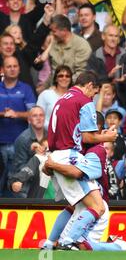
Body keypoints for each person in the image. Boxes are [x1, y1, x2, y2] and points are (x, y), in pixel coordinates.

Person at [47, 71, 117, 248]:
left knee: (76, 206)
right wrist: (109, 138)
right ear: (89, 85)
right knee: (98, 206)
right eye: (94, 92)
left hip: (56, 153)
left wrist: (51, 163)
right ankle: (69, 242)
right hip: (68, 155)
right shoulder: (83, 101)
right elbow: (87, 137)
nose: (93, 97)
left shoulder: (62, 98)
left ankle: (49, 243)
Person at [0, 55, 36, 195]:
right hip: (0, 142)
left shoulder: (26, 89)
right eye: (9, 66)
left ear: (19, 69)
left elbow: (33, 113)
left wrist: (17, 114)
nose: (12, 69)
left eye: (15, 66)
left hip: (19, 143)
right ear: (3, 69)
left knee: (16, 180)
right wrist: (3, 114)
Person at [87, 24, 126, 109]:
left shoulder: (125, 55)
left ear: (119, 39)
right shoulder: (95, 56)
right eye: (110, 35)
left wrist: (123, 81)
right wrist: (108, 76)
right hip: (99, 100)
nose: (113, 39)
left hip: (121, 100)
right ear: (103, 36)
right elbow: (91, 80)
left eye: (116, 36)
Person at [49, 14, 92, 81]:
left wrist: (63, 84)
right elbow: (53, 72)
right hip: (55, 86)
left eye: (54, 31)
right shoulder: (54, 44)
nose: (51, 34)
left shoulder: (81, 45)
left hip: (75, 87)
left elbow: (81, 73)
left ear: (64, 31)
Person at [36, 65, 73, 130]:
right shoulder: (45, 94)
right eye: (61, 76)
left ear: (70, 79)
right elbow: (37, 117)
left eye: (67, 76)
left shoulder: (74, 97)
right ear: (56, 78)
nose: (64, 78)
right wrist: (54, 129)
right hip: (47, 135)